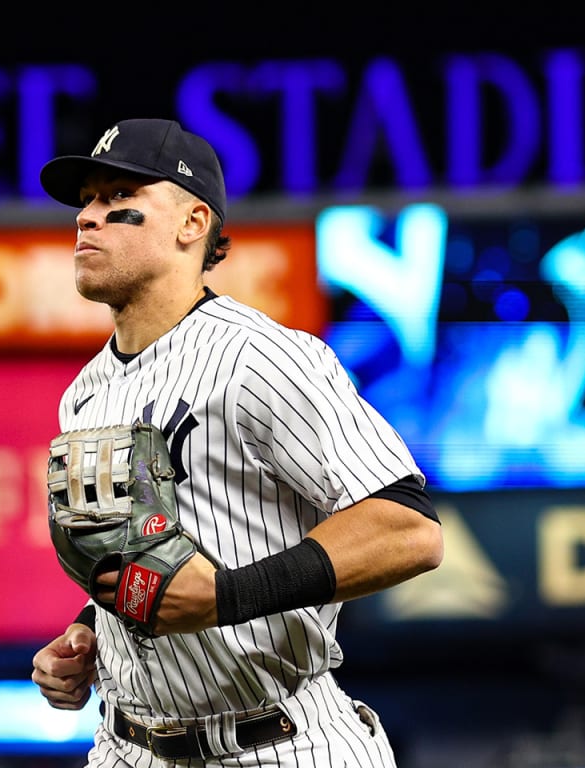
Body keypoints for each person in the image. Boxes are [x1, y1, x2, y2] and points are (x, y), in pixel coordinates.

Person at [29, 117, 444, 767]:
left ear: (193, 224)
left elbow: (409, 531)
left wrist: (226, 597)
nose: (87, 218)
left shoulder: (261, 358)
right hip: (126, 745)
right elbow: (133, 553)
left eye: (118, 200)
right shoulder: (83, 394)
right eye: (86, 201)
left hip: (278, 740)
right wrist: (86, 634)